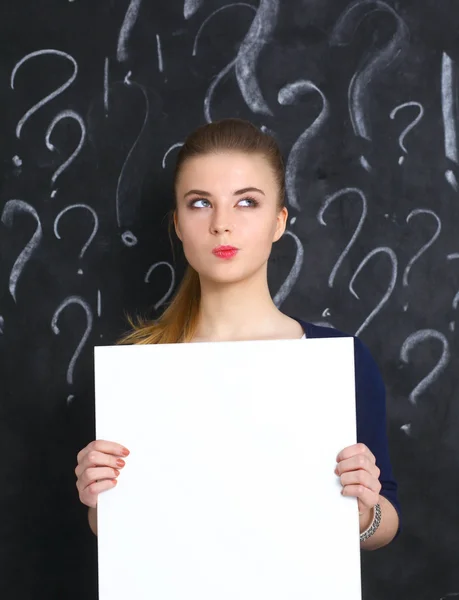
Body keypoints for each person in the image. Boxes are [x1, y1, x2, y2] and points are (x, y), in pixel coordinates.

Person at [75, 118, 401, 550]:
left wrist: (363, 511)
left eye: (246, 202)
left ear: (279, 221)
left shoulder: (336, 359)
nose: (221, 224)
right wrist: (101, 502)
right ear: (177, 223)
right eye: (199, 203)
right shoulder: (139, 368)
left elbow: (385, 520)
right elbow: (126, 531)